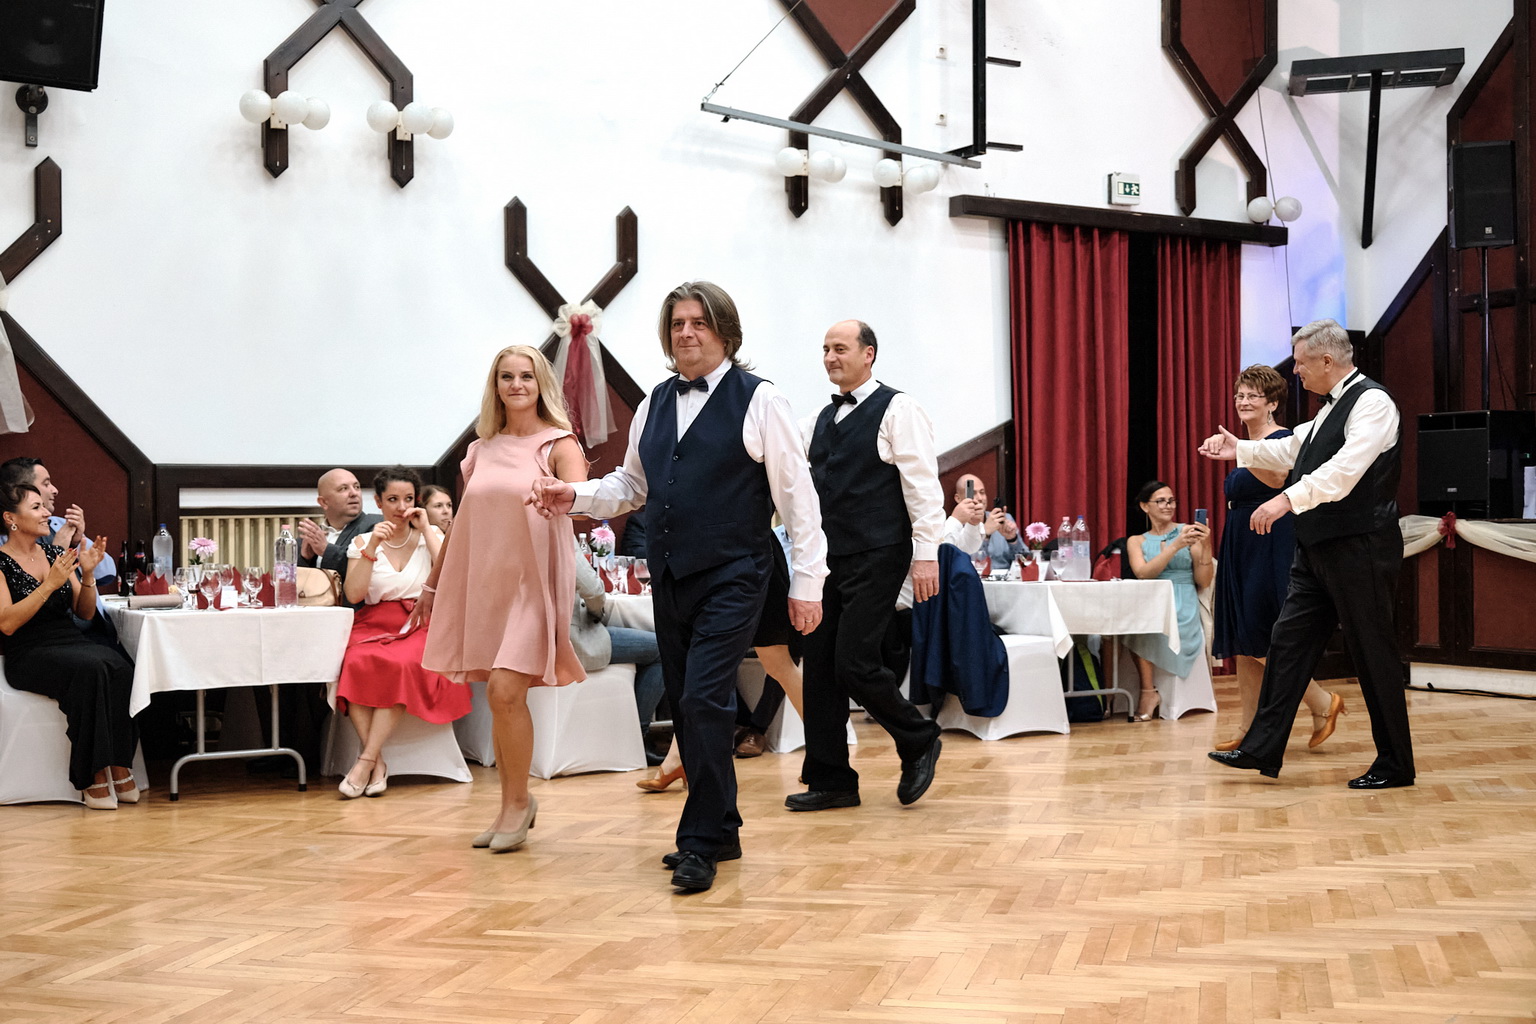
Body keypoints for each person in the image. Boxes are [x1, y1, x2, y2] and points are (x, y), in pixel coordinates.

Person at [529, 280, 827, 893]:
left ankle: (699, 841)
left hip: (737, 572)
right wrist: (573, 495)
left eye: (699, 322)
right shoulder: (654, 403)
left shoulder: (761, 399)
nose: (686, 333)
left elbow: (799, 500)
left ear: (726, 332)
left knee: (702, 698)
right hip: (670, 576)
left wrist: (808, 583)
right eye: (677, 324)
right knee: (692, 705)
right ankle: (725, 826)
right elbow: (631, 487)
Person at [1201, 318, 1412, 789]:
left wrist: (1285, 500)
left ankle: (1396, 764)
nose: (1294, 371)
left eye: (1299, 363)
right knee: (1287, 645)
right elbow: (1294, 448)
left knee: (1372, 653)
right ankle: (1261, 746)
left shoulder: (1373, 403)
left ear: (1327, 360)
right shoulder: (1326, 411)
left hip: (1361, 546)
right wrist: (1241, 449)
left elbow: (1345, 470)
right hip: (1317, 548)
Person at [417, 345, 587, 851]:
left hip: (534, 582)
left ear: (541, 384)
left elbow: (585, 501)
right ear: (496, 386)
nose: (516, 385)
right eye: (507, 377)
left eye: (526, 376)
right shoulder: (480, 450)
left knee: (505, 691)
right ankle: (513, 802)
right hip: (488, 582)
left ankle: (516, 804)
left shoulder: (559, 444)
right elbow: (461, 526)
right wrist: (432, 585)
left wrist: (559, 496)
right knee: (497, 695)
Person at [791, 319, 943, 813]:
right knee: (818, 667)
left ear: (868, 354)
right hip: (825, 560)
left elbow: (923, 487)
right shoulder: (817, 420)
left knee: (853, 661)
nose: (830, 357)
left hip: (880, 552)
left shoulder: (899, 408)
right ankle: (831, 779)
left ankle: (918, 736)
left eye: (840, 348)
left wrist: (926, 554)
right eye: (825, 349)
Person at [1212, 365, 1344, 752]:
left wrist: (1242, 450)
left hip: (1270, 540)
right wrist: (1240, 448)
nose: (1243, 401)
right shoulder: (1246, 443)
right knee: (1244, 637)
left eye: (1252, 395)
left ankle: (1323, 702)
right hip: (1240, 540)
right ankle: (1248, 728)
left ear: (1272, 403)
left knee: (1262, 634)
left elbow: (1276, 480)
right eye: (1239, 395)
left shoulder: (1282, 439)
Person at [0, 483, 137, 809]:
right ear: (11, 518)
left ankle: (119, 763)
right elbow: (7, 623)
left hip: (69, 640)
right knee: (91, 670)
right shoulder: (1, 563)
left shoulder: (54, 555)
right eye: (36, 507)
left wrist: (87, 575)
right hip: (28, 652)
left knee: (121, 666)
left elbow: (84, 612)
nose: (47, 513)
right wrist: (49, 585)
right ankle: (92, 775)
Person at [334, 466, 466, 799]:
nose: (401, 506)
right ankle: (376, 762)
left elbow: (449, 579)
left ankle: (365, 761)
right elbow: (354, 594)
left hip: (422, 621)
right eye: (392, 499)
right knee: (354, 660)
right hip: (374, 622)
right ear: (378, 502)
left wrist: (427, 530)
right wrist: (373, 544)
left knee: (402, 663)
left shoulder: (430, 536)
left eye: (408, 499)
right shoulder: (364, 541)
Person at [1122, 480, 1213, 721]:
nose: (1168, 505)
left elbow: (1204, 581)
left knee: (1151, 626)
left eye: (1171, 500)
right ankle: (1148, 691)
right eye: (1160, 501)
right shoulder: (1137, 541)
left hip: (1182, 600)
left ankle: (1148, 694)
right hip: (1151, 599)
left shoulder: (1188, 532)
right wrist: (1175, 546)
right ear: (1145, 506)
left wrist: (1206, 545)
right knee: (1135, 626)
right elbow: (1143, 573)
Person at [570, 541, 666, 758]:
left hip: (533, 644)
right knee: (661, 650)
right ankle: (636, 738)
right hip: (571, 640)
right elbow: (593, 592)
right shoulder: (559, 534)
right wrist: (596, 614)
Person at [0, 458, 117, 587]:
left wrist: (76, 544)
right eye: (46, 484)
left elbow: (107, 575)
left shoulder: (60, 524)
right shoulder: (5, 545)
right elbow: (23, 592)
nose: (55, 490)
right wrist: (57, 551)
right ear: (24, 488)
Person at [297, 469, 382, 601]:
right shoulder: (312, 537)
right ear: (324, 502)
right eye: (343, 489)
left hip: (356, 609)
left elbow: (367, 570)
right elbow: (293, 586)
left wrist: (326, 550)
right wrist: (305, 559)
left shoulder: (375, 527)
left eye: (357, 487)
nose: (354, 493)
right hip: (314, 609)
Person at [948, 474, 1024, 567]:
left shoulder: (1004, 519)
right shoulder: (954, 526)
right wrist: (985, 533)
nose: (980, 498)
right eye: (973, 493)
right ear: (958, 498)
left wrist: (1012, 539)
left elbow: (1025, 561)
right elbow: (967, 562)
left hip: (1005, 575)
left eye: (982, 492)